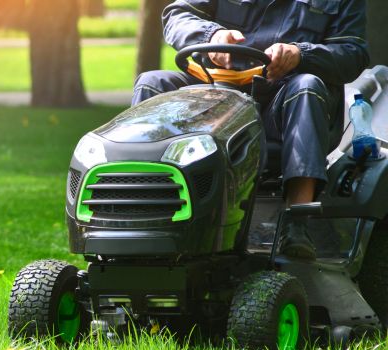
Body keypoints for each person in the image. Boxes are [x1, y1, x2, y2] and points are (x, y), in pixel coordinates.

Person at [132, 0, 370, 259]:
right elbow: (177, 15)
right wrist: (212, 35)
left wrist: (301, 54)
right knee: (152, 83)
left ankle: (297, 224)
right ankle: (142, 213)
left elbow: (352, 53)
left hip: (283, 99)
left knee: (307, 86)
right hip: (214, 91)